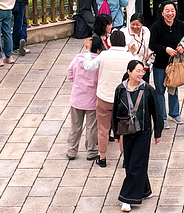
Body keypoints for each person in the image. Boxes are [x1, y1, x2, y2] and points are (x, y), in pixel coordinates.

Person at [112, 59, 164, 212]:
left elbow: (156, 112)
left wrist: (158, 132)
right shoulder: (120, 89)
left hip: (143, 132)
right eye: (138, 71)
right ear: (129, 72)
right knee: (129, 162)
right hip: (127, 130)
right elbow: (115, 111)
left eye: (143, 71)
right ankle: (145, 190)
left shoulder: (148, 89)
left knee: (136, 163)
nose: (141, 73)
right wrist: (115, 133)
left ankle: (127, 198)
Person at [84, 29, 138, 166]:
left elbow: (88, 66)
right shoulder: (128, 57)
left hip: (104, 97)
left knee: (103, 129)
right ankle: (126, 158)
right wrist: (133, 52)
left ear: (110, 41)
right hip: (123, 99)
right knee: (123, 130)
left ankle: (102, 158)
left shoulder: (103, 55)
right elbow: (140, 66)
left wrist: (87, 51)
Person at [150, 1, 184, 124]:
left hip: (175, 64)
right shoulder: (156, 27)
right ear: (162, 13)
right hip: (160, 64)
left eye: (172, 10)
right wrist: (165, 49)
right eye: (167, 11)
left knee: (173, 89)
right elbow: (152, 44)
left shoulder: (180, 25)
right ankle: (162, 117)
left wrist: (183, 46)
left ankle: (174, 113)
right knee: (160, 91)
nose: (170, 13)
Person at [66, 36, 102, 161]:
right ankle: (91, 151)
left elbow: (69, 74)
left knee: (75, 126)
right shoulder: (98, 62)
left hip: (77, 98)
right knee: (91, 127)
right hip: (92, 100)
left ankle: (71, 150)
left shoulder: (77, 58)